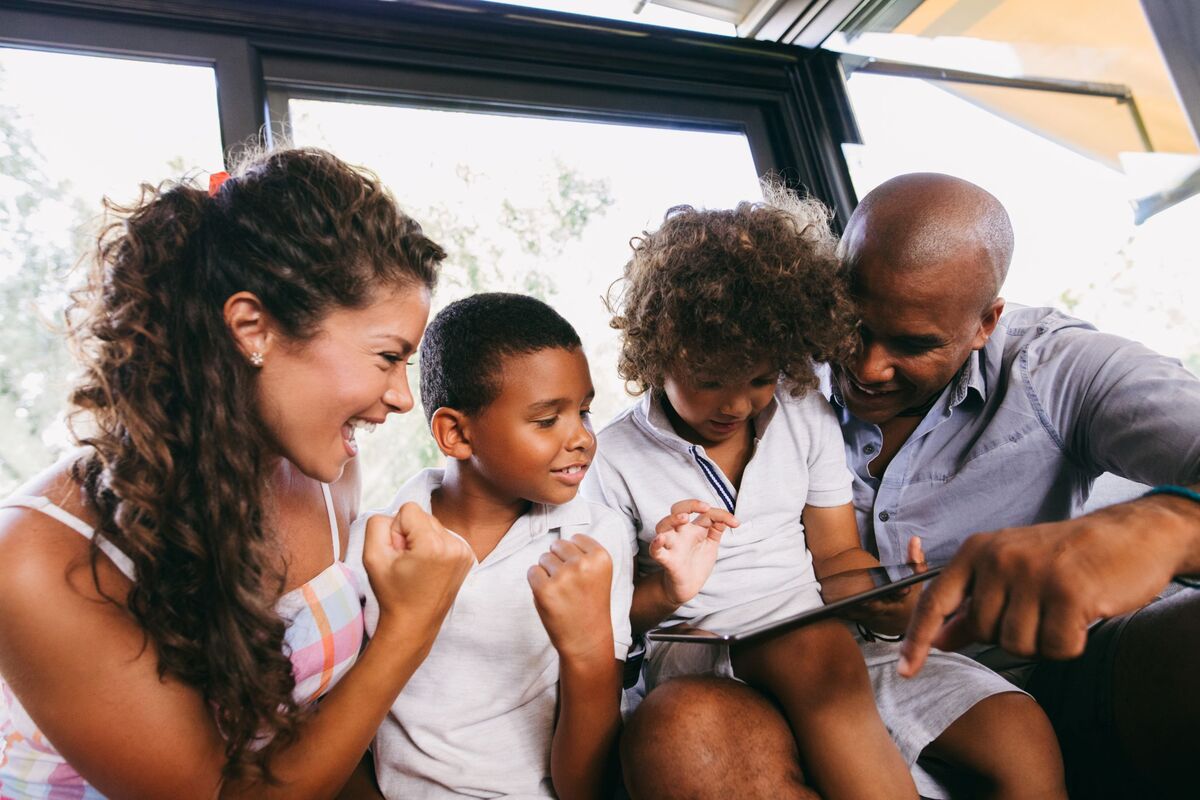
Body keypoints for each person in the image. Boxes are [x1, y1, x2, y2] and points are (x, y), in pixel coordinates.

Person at [617, 172, 1200, 798]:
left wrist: (1166, 524)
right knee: (687, 727)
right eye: (855, 329)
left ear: (986, 324)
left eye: (914, 345)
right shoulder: (773, 366)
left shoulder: (1060, 372)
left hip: (1030, 676)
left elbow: (839, 555)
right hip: (787, 690)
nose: (867, 368)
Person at [0, 147, 476, 799]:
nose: (401, 396)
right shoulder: (37, 560)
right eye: (388, 357)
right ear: (253, 328)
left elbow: (327, 741)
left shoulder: (328, 470)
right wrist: (409, 627)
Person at [584, 196, 1064, 799]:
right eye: (709, 383)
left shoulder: (800, 410)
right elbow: (609, 620)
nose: (736, 406)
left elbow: (836, 556)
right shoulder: (613, 459)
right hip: (703, 647)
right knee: (813, 650)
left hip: (819, 630)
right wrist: (669, 585)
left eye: (759, 379)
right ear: (655, 355)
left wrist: (887, 595)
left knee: (1016, 727)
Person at [349, 293, 633, 800]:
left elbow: (584, 788)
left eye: (584, 412)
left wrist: (588, 652)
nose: (583, 438)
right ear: (456, 433)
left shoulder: (596, 540)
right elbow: (338, 737)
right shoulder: (373, 546)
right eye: (547, 421)